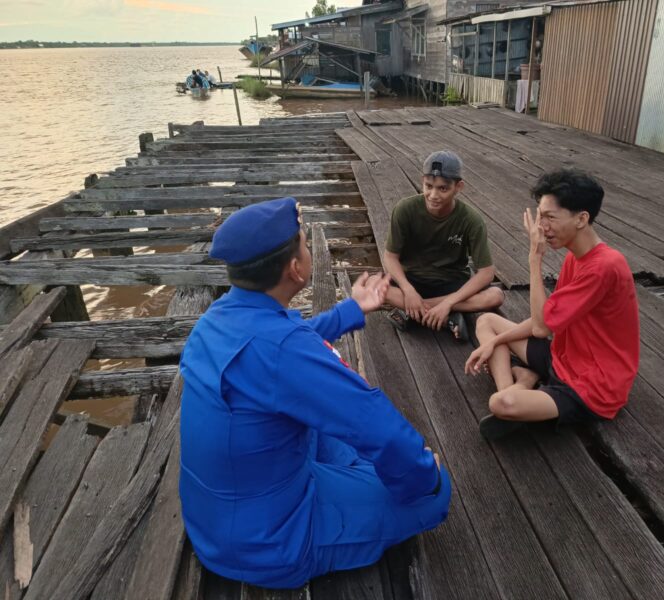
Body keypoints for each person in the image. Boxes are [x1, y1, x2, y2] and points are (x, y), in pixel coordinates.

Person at [179, 198, 450, 589]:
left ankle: (358, 480)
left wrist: (351, 309)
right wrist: (427, 473)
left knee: (324, 428)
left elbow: (280, 345)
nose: (308, 250)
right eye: (305, 243)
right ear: (295, 268)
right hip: (272, 543)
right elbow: (378, 425)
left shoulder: (216, 318)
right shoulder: (283, 351)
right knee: (433, 491)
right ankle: (389, 485)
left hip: (214, 521)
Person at [465, 170, 639, 440]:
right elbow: (544, 321)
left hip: (591, 385)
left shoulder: (604, 266)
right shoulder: (575, 258)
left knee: (501, 404)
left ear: (581, 219)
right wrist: (493, 343)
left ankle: (516, 391)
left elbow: (541, 326)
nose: (540, 227)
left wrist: (535, 259)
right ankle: (517, 384)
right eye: (539, 216)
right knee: (486, 322)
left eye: (549, 217)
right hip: (563, 357)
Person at [384, 150, 504, 342]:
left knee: (495, 296)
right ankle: (449, 318)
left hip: (451, 283)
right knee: (375, 288)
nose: (433, 195)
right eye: (428, 186)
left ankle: (414, 313)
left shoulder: (471, 220)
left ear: (459, 187)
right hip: (413, 280)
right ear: (422, 181)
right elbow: (391, 257)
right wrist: (408, 290)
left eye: (443, 189)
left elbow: (486, 272)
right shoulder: (404, 209)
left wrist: (449, 302)